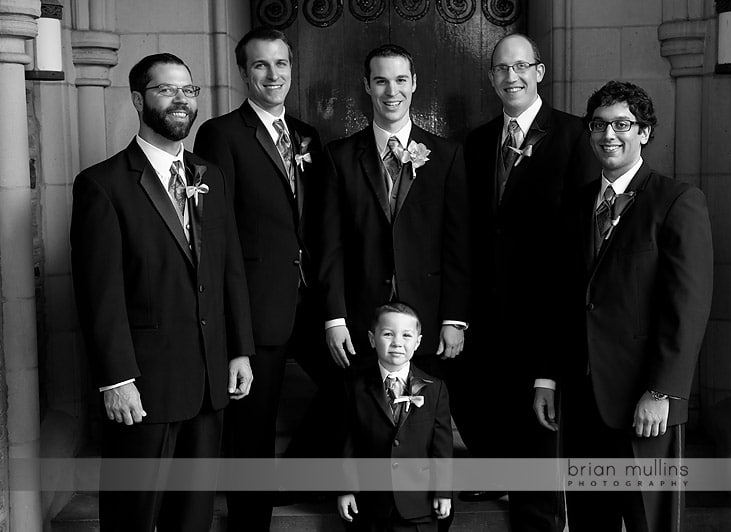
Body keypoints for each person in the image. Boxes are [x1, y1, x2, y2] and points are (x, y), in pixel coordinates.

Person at [70, 53, 255, 532]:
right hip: (143, 386)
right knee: (132, 516)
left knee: (192, 518)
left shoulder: (209, 176)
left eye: (189, 91)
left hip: (209, 380)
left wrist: (239, 350)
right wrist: (116, 379)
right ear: (138, 99)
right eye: (167, 90)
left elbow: (229, 268)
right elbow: (99, 293)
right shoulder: (102, 185)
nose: (182, 100)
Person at [533, 80, 713, 532]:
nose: (608, 135)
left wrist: (662, 392)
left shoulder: (676, 201)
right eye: (598, 125)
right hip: (582, 397)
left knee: (644, 521)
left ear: (644, 132)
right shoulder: (574, 204)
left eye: (622, 124)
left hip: (643, 402)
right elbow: (560, 299)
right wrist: (548, 377)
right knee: (590, 519)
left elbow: (687, 309)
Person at [193, 26, 334, 529]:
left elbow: (316, 220)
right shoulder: (220, 133)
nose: (273, 75)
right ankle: (249, 522)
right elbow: (217, 230)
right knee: (251, 427)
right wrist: (231, 323)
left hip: (310, 300)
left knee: (352, 382)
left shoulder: (308, 136)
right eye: (260, 65)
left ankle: (294, 474)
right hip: (253, 304)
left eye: (281, 64)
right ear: (243, 72)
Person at [462, 33, 598, 530]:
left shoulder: (575, 135)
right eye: (500, 68)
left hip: (547, 313)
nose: (511, 77)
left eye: (521, 66)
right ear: (492, 77)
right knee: (490, 415)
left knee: (541, 437)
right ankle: (499, 472)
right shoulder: (476, 142)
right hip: (487, 315)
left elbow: (583, 239)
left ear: (540, 72)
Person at [318, 44, 470, 389]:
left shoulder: (447, 156)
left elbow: (458, 244)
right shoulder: (338, 157)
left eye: (401, 79)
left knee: (425, 421)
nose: (392, 91)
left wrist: (454, 318)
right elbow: (330, 244)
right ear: (367, 85)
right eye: (381, 81)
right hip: (361, 320)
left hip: (429, 320)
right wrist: (334, 318)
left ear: (414, 83)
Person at [337, 302, 453, 531]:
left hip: (420, 503)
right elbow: (347, 442)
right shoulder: (354, 387)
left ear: (418, 342)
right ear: (372, 339)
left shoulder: (435, 389)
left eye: (407, 335)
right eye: (388, 334)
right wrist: (346, 488)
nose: (397, 343)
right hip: (371, 504)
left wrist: (443, 492)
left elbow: (442, 447)